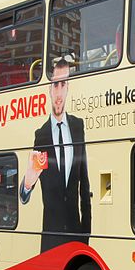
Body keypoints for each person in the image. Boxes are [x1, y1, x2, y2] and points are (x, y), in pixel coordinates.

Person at [20, 58, 91, 252]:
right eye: (55, 85)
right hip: (51, 238)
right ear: (49, 90)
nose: (59, 92)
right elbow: (24, 195)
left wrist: (86, 232)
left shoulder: (78, 126)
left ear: (68, 88)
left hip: (77, 235)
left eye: (63, 84)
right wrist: (27, 183)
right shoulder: (41, 135)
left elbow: (84, 183)